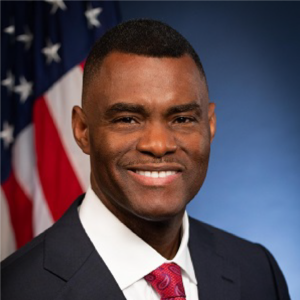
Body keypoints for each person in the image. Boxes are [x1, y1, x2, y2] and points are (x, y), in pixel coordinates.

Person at [0, 19, 290, 300]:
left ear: (209, 125)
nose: (158, 145)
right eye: (128, 119)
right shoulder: (16, 290)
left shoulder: (257, 271)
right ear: (83, 130)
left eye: (182, 118)